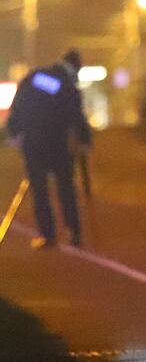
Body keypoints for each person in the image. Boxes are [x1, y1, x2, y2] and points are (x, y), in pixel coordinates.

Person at [6, 50, 92, 248]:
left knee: (40, 190)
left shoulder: (34, 77)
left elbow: (18, 104)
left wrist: (13, 131)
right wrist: (85, 140)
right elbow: (76, 115)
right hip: (57, 143)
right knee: (65, 188)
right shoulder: (67, 85)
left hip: (33, 142)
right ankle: (74, 233)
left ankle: (47, 234)